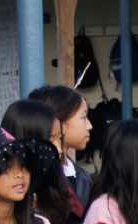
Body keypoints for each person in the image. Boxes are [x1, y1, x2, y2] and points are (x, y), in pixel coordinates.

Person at [27, 83, 93, 212]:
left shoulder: (83, 177)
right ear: (58, 121)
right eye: (83, 117)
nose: (90, 126)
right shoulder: (32, 181)